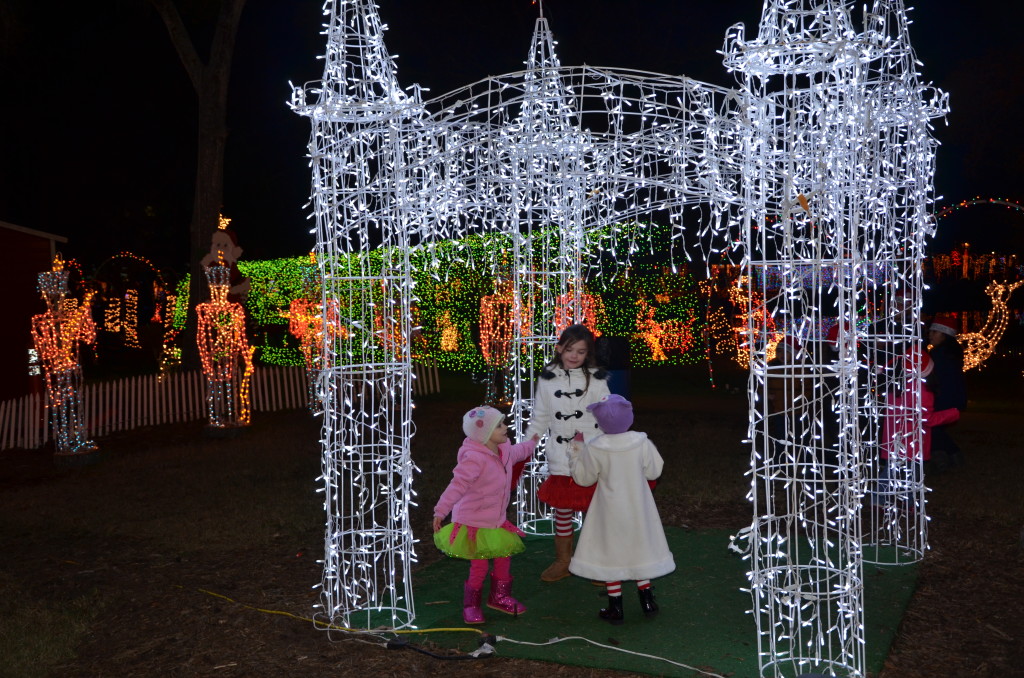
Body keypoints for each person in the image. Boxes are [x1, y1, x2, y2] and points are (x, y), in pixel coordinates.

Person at [567, 395, 675, 624]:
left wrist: (576, 452)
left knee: (610, 551)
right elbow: (654, 471)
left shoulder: (596, 447)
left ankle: (615, 606)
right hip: (638, 505)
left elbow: (584, 478)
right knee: (640, 545)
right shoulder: (641, 442)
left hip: (608, 509)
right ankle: (647, 600)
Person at [433, 407, 537, 624]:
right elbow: (457, 485)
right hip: (473, 522)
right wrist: (441, 511)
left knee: (503, 556)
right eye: (499, 425)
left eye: (503, 423)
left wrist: (533, 443)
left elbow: (519, 452)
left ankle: (499, 596)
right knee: (479, 564)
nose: (505, 427)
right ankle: (471, 605)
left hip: (496, 520)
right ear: (484, 433)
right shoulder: (474, 459)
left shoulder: (504, 450)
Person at [523, 324, 611, 581]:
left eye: (581, 352)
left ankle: (596, 563)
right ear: (559, 348)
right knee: (562, 509)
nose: (574, 356)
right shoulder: (547, 379)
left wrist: (611, 442)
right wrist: (526, 446)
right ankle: (564, 561)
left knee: (593, 511)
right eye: (570, 349)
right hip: (561, 454)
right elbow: (539, 417)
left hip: (591, 455)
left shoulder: (597, 378)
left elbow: (608, 413)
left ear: (588, 354)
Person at [927, 313, 967, 472]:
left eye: (934, 332)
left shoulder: (939, 355)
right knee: (933, 429)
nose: (930, 335)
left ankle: (948, 455)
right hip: (952, 397)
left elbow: (939, 379)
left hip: (943, 398)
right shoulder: (950, 353)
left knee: (931, 427)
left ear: (944, 335)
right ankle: (948, 456)